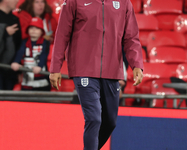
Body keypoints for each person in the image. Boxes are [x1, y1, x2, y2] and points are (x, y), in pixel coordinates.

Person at [49, 0, 144, 149]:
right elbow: (62, 34)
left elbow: (131, 37)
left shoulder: (124, 3)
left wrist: (137, 64)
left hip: (112, 70)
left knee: (110, 122)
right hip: (83, 69)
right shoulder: (74, 1)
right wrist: (55, 67)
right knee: (94, 118)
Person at [0, 0, 22, 90]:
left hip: (10, 69)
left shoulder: (14, 19)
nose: (17, 1)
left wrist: (18, 71)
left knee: (9, 101)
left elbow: (18, 45)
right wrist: (4, 32)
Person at [11, 17, 50, 91]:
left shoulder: (45, 43)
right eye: (31, 28)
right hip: (27, 77)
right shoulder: (24, 42)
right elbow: (20, 53)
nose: (33, 30)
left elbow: (44, 55)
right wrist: (15, 62)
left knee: (42, 97)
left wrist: (40, 66)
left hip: (41, 77)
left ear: (42, 31)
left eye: (37, 28)